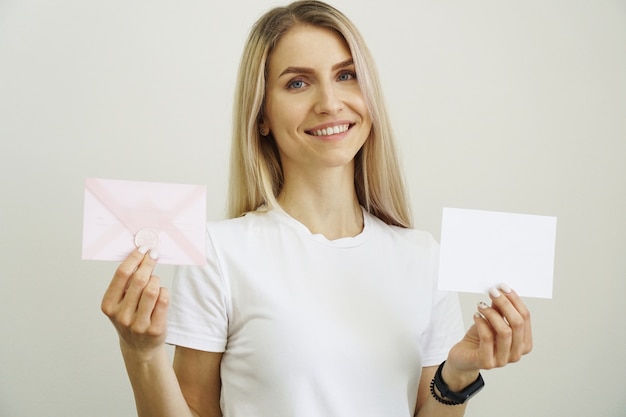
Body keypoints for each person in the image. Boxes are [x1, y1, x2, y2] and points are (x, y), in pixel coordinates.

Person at [101, 1, 533, 416]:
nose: (329, 102)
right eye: (297, 82)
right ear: (262, 115)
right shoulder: (219, 251)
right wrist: (142, 355)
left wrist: (457, 376)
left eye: (346, 75)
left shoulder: (424, 257)